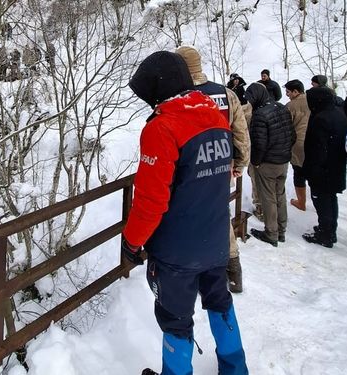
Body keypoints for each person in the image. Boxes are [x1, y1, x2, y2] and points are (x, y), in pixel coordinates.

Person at [122, 51, 248, 375]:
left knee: (175, 319)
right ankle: (236, 368)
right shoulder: (216, 118)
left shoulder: (162, 128)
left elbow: (151, 201)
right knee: (220, 304)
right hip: (216, 239)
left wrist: (132, 242)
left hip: (178, 251)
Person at [176, 45, 250, 293]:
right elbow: (240, 133)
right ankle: (233, 269)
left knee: (186, 215)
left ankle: (193, 271)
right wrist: (240, 163)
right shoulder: (226, 94)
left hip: (189, 170)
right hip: (221, 166)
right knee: (219, 213)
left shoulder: (179, 95)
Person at [246, 82, 296, 247]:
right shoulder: (282, 108)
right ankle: (281, 230)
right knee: (279, 195)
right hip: (283, 159)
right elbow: (292, 134)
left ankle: (271, 233)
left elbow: (259, 143)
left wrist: (256, 162)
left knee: (268, 198)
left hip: (268, 162)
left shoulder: (259, 114)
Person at [301, 86, 347, 248]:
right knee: (330, 199)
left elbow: (318, 147)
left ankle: (325, 234)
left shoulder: (321, 118)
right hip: (336, 164)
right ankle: (329, 229)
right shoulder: (338, 113)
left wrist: (314, 169)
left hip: (323, 167)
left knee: (322, 201)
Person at [284, 79, 310, 211]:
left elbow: (287, 127)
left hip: (298, 143)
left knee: (299, 173)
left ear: (296, 91)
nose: (287, 94)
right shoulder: (313, 101)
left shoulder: (290, 106)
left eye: (288, 92)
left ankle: (301, 202)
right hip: (314, 141)